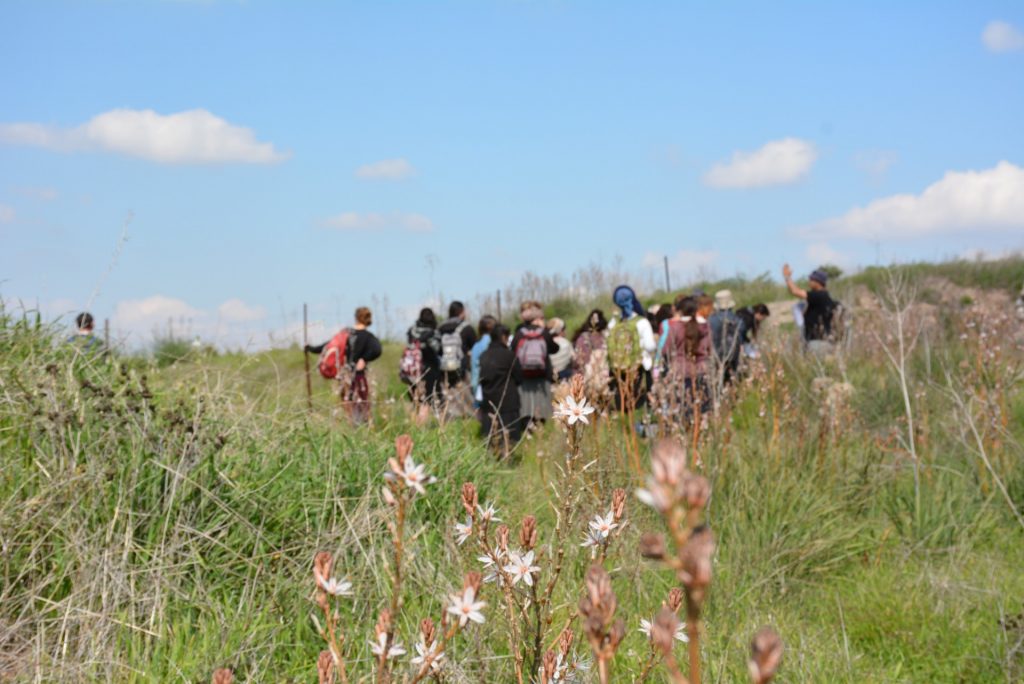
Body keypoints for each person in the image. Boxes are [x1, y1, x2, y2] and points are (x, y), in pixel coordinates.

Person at [306, 306, 382, 424]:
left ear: (356, 317)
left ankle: (352, 425)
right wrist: (364, 359)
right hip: (359, 376)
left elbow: (328, 346)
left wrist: (310, 348)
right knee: (361, 404)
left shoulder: (346, 333)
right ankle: (360, 427)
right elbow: (377, 350)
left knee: (348, 404)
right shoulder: (368, 336)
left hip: (344, 375)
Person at [607, 285, 657, 410]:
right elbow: (650, 346)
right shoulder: (642, 321)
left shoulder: (613, 323)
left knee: (623, 402)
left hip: (618, 368)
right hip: (639, 367)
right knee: (639, 402)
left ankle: (624, 419)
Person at [478, 324, 525, 455]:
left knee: (492, 439)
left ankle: (493, 458)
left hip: (488, 403)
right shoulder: (509, 355)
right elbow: (519, 377)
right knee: (509, 439)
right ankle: (509, 459)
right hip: (508, 403)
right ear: (503, 337)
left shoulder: (483, 356)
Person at [510, 301, 559, 425]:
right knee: (543, 403)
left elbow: (513, 349)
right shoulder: (543, 333)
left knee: (527, 405)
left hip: (524, 375)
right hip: (543, 374)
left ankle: (528, 425)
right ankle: (543, 425)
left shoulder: (519, 333)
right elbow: (555, 348)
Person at [663, 295, 711, 420]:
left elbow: (666, 349)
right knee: (702, 408)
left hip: (681, 371)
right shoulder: (704, 326)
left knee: (683, 410)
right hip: (701, 370)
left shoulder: (675, 327)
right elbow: (709, 348)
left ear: (680, 310)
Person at [783, 264, 837, 355]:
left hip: (817, 343)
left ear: (818, 282)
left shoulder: (819, 295)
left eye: (811, 280)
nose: (809, 282)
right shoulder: (823, 296)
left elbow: (795, 291)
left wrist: (787, 277)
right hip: (820, 342)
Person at [405, 308, 443, 407]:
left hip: (413, 370)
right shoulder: (433, 332)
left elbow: (409, 347)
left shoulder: (412, 331)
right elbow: (439, 350)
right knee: (431, 400)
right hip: (430, 369)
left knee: (416, 400)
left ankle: (416, 416)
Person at [438, 301, 478, 385]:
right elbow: (475, 348)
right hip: (462, 369)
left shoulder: (440, 328)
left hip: (444, 370)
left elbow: (438, 349)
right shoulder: (467, 328)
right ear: (461, 312)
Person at [708, 290, 743, 384]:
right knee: (732, 379)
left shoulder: (711, 319)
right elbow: (741, 337)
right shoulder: (737, 319)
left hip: (717, 354)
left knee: (719, 380)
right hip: (734, 353)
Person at [470, 315, 497, 407]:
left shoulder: (476, 346)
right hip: (493, 386)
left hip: (479, 386)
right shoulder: (495, 344)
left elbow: (474, 369)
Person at [571, 309, 608, 374]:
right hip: (594, 374)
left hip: (587, 373)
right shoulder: (604, 338)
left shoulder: (581, 338)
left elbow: (576, 361)